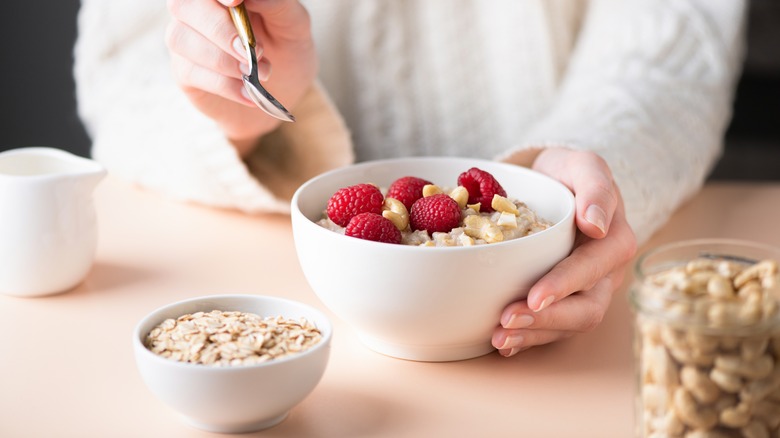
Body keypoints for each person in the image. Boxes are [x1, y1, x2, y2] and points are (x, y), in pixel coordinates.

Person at [74, 0, 747, 357]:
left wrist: (592, 155)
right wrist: (239, 105)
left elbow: (674, 34)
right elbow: (121, 65)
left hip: (561, 338)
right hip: (276, 277)